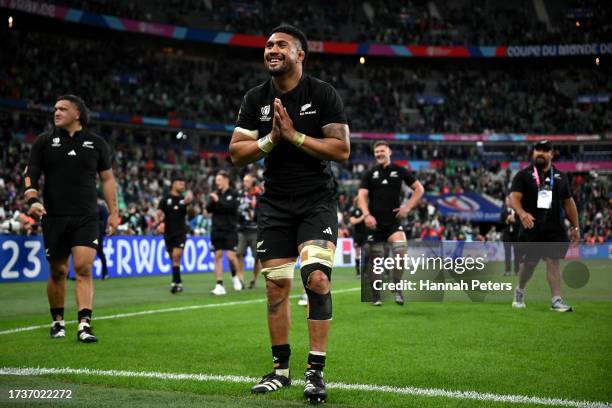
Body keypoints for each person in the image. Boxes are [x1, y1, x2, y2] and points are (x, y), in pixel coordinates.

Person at [229, 25, 350, 403]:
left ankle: (316, 373)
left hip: (316, 201)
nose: (271, 50)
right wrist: (271, 139)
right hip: (275, 204)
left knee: (316, 279)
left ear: (300, 54)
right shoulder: (255, 98)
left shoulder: (322, 93)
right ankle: (280, 371)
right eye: (267, 45)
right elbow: (236, 152)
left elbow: (341, 148)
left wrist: (295, 136)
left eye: (281, 44)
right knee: (275, 285)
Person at [23, 95, 119, 343]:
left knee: (84, 268)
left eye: (62, 109)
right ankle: (58, 321)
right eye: (55, 108)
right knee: (58, 271)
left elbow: (108, 180)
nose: (56, 112)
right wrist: (32, 198)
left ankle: (84, 324)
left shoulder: (96, 143)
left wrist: (114, 212)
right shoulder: (44, 142)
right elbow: (30, 171)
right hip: (54, 216)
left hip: (86, 216)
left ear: (77, 114)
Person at [509, 140, 580, 312]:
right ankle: (520, 290)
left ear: (551, 154)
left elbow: (568, 203)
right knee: (530, 264)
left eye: (545, 150)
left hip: (554, 227)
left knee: (553, 261)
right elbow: (514, 198)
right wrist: (522, 213)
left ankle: (556, 300)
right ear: (533, 153)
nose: (540, 153)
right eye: (537, 150)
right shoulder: (523, 175)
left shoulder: (561, 177)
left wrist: (575, 227)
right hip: (531, 226)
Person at [357, 141, 424, 306]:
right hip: (374, 224)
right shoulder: (369, 173)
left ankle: (396, 285)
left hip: (393, 222)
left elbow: (419, 189)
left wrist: (407, 207)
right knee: (376, 259)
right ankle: (375, 293)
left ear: (389, 152)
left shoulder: (400, 171)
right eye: (376, 152)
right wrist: (366, 215)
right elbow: (361, 196)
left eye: (382, 151)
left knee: (401, 252)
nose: (379, 154)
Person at [156, 172, 195, 294]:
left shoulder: (184, 201)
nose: (183, 186)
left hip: (180, 232)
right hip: (168, 233)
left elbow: (191, 215)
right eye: (180, 183)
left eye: (184, 184)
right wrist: (159, 224)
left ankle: (175, 282)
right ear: (173, 184)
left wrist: (189, 205)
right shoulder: (165, 199)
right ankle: (178, 283)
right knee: (173, 258)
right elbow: (158, 214)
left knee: (176, 256)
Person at [206, 171, 241, 295]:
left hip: (230, 229)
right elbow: (207, 211)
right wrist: (212, 201)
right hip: (216, 230)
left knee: (231, 257)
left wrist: (218, 201)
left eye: (219, 180)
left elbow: (232, 208)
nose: (217, 182)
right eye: (216, 180)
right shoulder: (215, 194)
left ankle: (235, 276)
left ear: (226, 180)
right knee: (218, 256)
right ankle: (219, 285)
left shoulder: (234, 194)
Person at [237, 173, 263, 289]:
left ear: (253, 182)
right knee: (239, 254)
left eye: (247, 181)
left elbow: (262, 211)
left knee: (256, 257)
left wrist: (255, 215)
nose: (244, 183)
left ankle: (254, 279)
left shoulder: (259, 195)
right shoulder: (241, 194)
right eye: (244, 181)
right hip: (242, 229)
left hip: (255, 229)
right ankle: (241, 279)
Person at [499, 195, 519, 276]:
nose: (508, 202)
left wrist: (514, 221)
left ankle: (517, 270)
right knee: (508, 254)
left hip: (516, 235)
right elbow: (500, 225)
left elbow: (520, 223)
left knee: (517, 253)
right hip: (507, 236)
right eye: (506, 200)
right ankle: (507, 271)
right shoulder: (503, 212)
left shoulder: (517, 211)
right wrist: (507, 220)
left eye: (509, 200)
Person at [348, 196, 367, 277]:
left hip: (366, 234)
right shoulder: (354, 211)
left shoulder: (366, 210)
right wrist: (362, 218)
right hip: (357, 234)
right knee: (357, 253)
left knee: (367, 252)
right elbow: (352, 221)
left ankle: (365, 272)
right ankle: (358, 272)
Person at [97, 196, 110, 280]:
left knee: (100, 253)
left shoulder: (101, 207)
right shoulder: (87, 207)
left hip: (97, 234)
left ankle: (105, 273)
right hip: (88, 234)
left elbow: (105, 221)